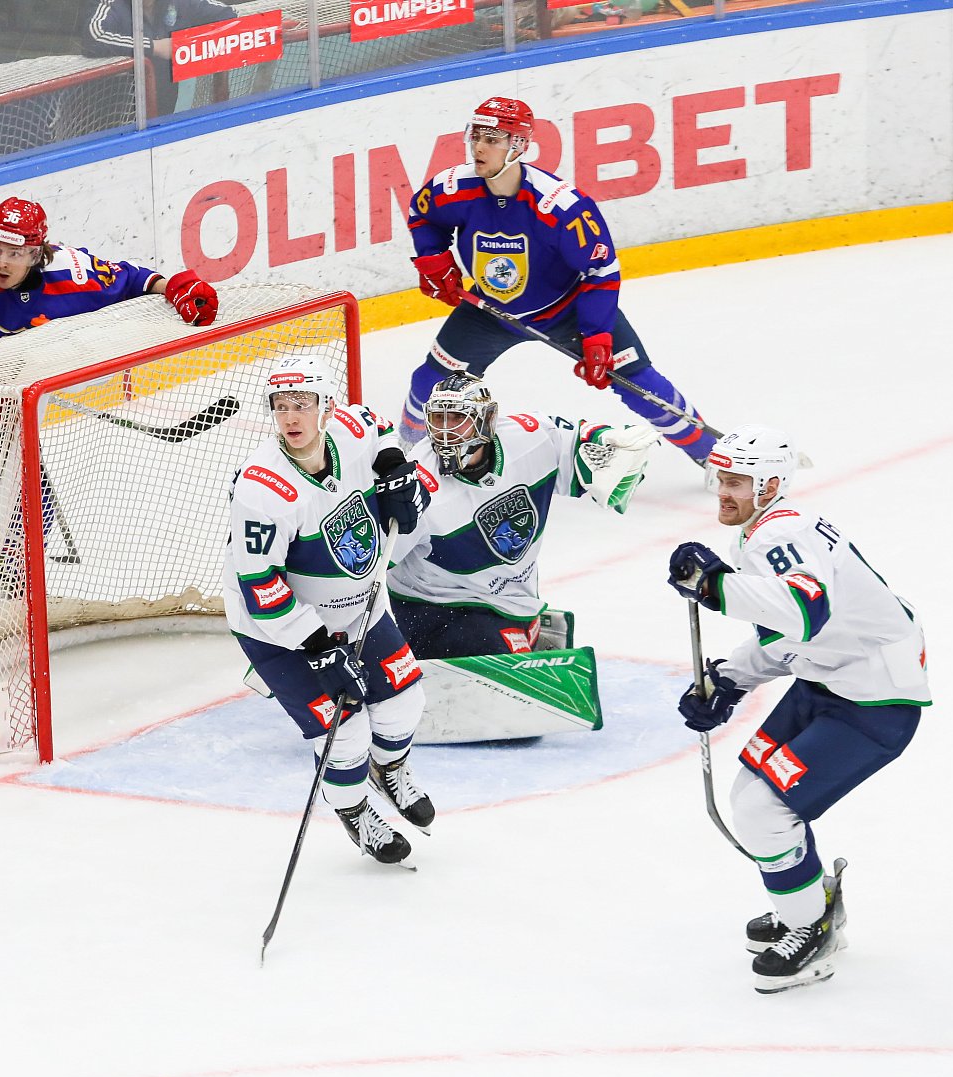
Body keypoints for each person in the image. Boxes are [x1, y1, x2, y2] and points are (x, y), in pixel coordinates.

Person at [0, 195, 219, 657]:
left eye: (15, 253)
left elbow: (130, 280)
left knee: (29, 510)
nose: (2, 262)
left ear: (38, 252)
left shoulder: (70, 273)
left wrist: (172, 285)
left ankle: (15, 594)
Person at [664, 425, 930, 993]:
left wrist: (718, 589)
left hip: (875, 702)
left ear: (769, 485)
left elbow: (805, 611)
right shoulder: (762, 533)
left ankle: (814, 930)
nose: (723, 492)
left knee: (764, 811)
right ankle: (805, 905)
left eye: (736, 482)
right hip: (828, 682)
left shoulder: (780, 534)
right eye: (720, 479)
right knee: (750, 796)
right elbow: (790, 633)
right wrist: (731, 679)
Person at [401, 96, 714, 466]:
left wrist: (596, 335)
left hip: (567, 311)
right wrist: (434, 260)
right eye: (477, 137)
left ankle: (713, 456)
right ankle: (407, 455)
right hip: (489, 311)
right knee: (430, 384)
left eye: (492, 139)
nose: (479, 147)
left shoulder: (560, 206)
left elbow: (600, 270)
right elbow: (422, 214)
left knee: (641, 385)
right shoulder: (452, 187)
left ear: (518, 145)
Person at [224, 355, 434, 864]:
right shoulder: (262, 489)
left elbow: (380, 428)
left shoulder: (350, 428)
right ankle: (354, 810)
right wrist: (318, 648)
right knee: (347, 734)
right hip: (280, 632)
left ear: (328, 407)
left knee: (405, 703)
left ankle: (389, 769)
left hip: (359, 606)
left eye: (302, 404)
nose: (290, 417)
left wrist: (395, 469)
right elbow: (260, 587)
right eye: (280, 406)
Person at [388, 372, 657, 658]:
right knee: (496, 658)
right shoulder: (417, 485)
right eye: (438, 418)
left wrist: (614, 449)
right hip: (436, 606)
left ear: (487, 419)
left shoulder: (531, 438)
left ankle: (521, 630)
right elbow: (373, 565)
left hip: (514, 601)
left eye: (457, 418)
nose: (445, 430)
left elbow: (585, 444)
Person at [81, 0, 237, 115]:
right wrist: (154, 47)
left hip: (163, 110)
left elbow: (229, 15)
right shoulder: (112, 4)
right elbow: (94, 37)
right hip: (111, 115)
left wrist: (190, 42)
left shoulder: (179, 3)